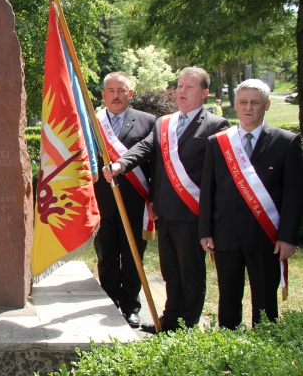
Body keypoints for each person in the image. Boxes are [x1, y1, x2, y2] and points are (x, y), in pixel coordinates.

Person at [105, 67, 229, 333]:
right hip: (165, 211)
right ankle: (170, 320)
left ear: (205, 93)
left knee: (191, 272)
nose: (181, 92)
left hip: (192, 212)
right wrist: (120, 164)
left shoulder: (216, 126)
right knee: (170, 271)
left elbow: (218, 178)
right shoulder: (165, 123)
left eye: (190, 87)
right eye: (180, 86)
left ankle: (187, 324)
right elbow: (145, 148)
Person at [199, 79, 302, 328]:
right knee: (228, 299)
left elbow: (293, 196)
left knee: (266, 302)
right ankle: (228, 346)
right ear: (235, 105)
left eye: (255, 103)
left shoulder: (286, 142)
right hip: (227, 236)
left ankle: (263, 348)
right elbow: (208, 190)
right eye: (243, 102)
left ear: (266, 105)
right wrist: (205, 232)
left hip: (266, 238)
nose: (248, 108)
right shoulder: (218, 142)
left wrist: (288, 237)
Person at [93, 72, 156, 328]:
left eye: (121, 91)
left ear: (130, 94)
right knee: (106, 256)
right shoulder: (91, 123)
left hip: (135, 202)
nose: (116, 96)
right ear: (103, 95)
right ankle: (110, 303)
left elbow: (154, 165)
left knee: (133, 257)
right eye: (111, 91)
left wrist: (154, 198)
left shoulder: (149, 122)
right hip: (102, 203)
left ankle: (131, 307)